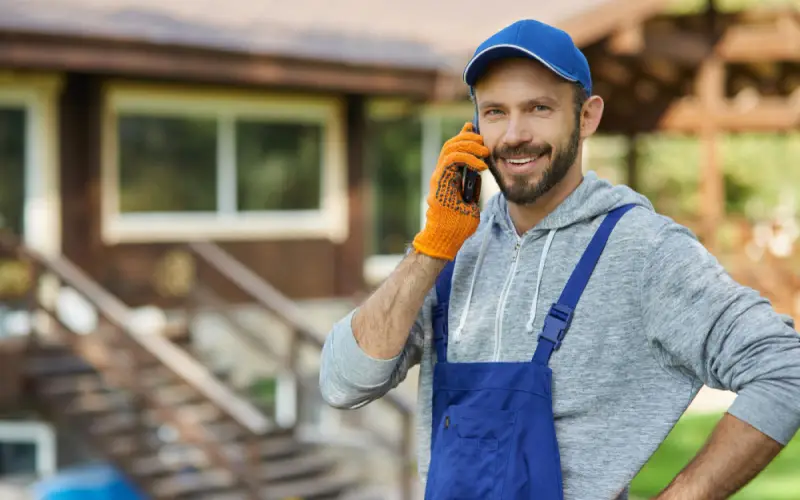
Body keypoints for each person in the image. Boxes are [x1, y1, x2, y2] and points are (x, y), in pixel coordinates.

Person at [319, 18, 800, 500]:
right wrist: (431, 249)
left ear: (587, 117)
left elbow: (785, 367)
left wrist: (684, 495)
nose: (514, 134)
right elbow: (343, 385)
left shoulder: (644, 250)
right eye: (495, 112)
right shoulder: (451, 245)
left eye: (539, 108)